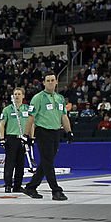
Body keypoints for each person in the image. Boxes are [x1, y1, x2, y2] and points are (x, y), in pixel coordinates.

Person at [23, 73, 72, 201]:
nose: (50, 82)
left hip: (56, 132)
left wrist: (69, 131)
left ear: (56, 82)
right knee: (48, 161)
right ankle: (56, 190)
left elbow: (64, 116)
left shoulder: (60, 98)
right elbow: (31, 118)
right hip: (43, 132)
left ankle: (31, 187)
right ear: (44, 83)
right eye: (48, 80)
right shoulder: (38, 98)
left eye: (52, 80)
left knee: (46, 162)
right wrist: (26, 135)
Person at [0, 87, 30, 193]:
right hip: (11, 138)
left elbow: (32, 124)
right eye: (15, 94)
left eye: (19, 94)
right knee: (10, 163)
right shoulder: (7, 109)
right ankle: (8, 185)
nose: (17, 96)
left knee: (20, 164)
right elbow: (2, 124)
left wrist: (32, 137)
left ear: (23, 96)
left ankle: (17, 185)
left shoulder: (27, 109)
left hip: (23, 138)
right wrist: (2, 138)